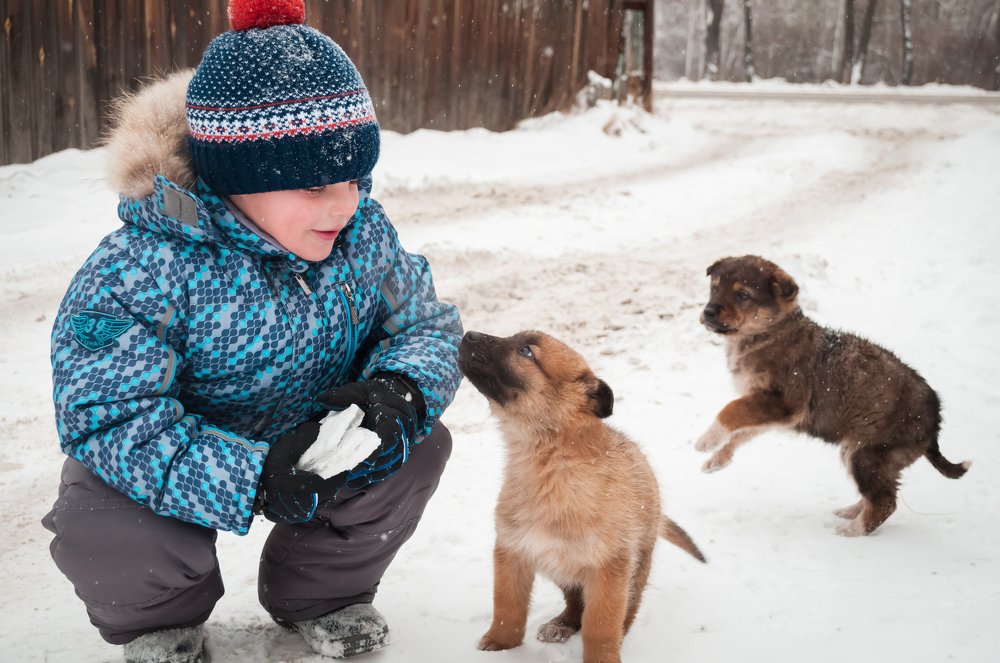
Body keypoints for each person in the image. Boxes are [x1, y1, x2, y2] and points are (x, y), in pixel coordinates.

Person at [40, 1, 463, 661]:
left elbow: (425, 324)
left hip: (316, 441)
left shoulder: (362, 235)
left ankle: (321, 590)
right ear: (239, 178)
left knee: (420, 442)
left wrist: (402, 388)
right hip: (192, 449)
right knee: (104, 499)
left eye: (355, 176)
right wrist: (250, 476)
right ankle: (160, 612)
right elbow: (109, 415)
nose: (344, 202)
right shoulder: (144, 266)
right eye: (314, 184)